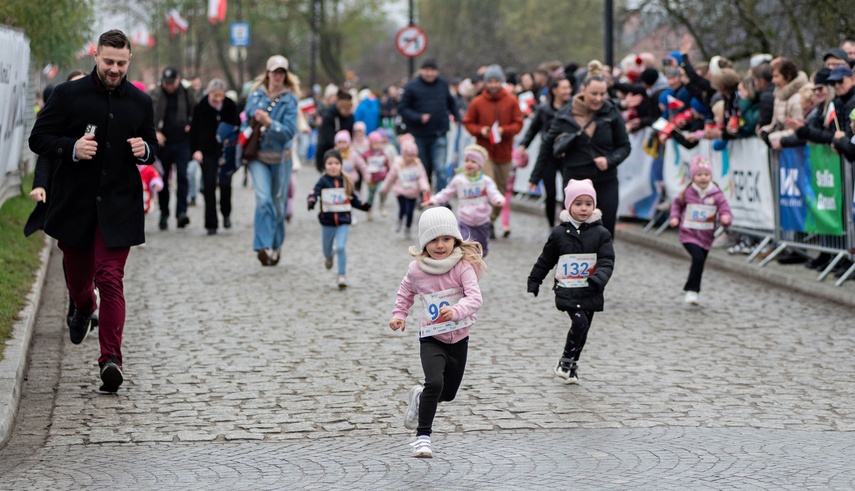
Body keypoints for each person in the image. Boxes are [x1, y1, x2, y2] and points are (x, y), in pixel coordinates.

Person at [28, 29, 158, 393]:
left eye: (121, 63)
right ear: (96, 57)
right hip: (76, 204)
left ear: (129, 61)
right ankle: (83, 308)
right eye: (108, 61)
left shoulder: (140, 102)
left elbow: (152, 146)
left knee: (110, 278)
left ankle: (111, 360)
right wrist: (71, 147)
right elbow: (38, 138)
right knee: (80, 283)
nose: (114, 69)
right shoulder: (68, 95)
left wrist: (145, 150)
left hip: (119, 204)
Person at [388, 206, 486, 458]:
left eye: (445, 238)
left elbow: (475, 298)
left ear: (455, 239)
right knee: (434, 382)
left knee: (448, 393)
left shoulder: (463, 266)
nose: (440, 245)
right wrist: (399, 314)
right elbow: (405, 291)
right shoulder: (417, 269)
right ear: (424, 243)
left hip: (459, 336)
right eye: (433, 240)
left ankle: (420, 397)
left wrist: (456, 310)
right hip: (431, 336)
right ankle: (422, 438)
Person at [527, 179, 614, 384]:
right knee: (579, 322)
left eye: (588, 204)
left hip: (591, 289)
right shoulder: (559, 233)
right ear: (568, 205)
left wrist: (599, 278)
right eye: (578, 203)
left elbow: (607, 260)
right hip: (567, 288)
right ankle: (565, 362)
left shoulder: (601, 233)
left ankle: (572, 367)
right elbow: (546, 259)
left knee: (584, 328)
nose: (584, 208)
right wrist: (535, 279)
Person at [532, 61, 631, 236]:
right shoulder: (566, 114)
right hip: (576, 180)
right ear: (583, 90)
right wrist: (535, 176)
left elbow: (625, 146)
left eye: (602, 94)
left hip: (605, 180)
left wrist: (609, 160)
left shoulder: (611, 112)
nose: (598, 98)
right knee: (575, 235)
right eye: (594, 93)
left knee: (606, 233)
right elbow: (547, 145)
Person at [241, 54, 299, 266]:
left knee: (278, 204)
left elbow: (289, 132)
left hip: (281, 159)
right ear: (268, 73)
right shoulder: (255, 95)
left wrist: (269, 123)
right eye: (275, 72)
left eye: (282, 72)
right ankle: (262, 245)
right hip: (258, 157)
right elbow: (245, 121)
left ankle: (276, 245)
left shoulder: (290, 99)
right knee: (263, 199)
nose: (278, 76)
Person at [462, 64, 524, 235]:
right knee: (488, 184)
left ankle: (491, 219)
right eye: (490, 81)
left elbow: (518, 123)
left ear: (501, 81)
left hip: (504, 151)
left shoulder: (511, 101)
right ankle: (485, 221)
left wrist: (505, 130)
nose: (493, 85)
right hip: (484, 153)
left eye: (496, 81)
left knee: (501, 189)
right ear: (486, 83)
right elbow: (468, 122)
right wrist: (480, 130)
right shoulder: (477, 102)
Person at [668, 157, 733, 304]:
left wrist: (725, 218)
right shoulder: (687, 192)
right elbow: (677, 205)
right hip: (688, 234)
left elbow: (725, 210)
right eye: (699, 174)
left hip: (706, 236)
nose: (703, 177)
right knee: (698, 258)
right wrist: (674, 218)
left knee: (700, 261)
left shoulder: (716, 194)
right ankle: (692, 290)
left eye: (706, 174)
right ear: (693, 177)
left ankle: (693, 291)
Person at [422, 144, 504, 256]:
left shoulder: (485, 181)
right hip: (465, 220)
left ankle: (478, 262)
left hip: (482, 221)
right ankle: (466, 263)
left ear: (480, 165)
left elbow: (493, 192)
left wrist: (498, 199)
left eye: (473, 161)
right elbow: (447, 192)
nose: (469, 164)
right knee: (465, 247)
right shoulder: (459, 180)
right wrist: (434, 199)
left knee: (482, 250)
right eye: (467, 161)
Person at [307, 149, 371, 288]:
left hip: (343, 221)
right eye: (330, 163)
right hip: (327, 222)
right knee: (326, 250)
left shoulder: (346, 181)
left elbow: (353, 199)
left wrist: (364, 205)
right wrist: (311, 200)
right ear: (325, 165)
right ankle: (329, 257)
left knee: (341, 247)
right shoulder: (323, 181)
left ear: (341, 165)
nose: (333, 166)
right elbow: (314, 192)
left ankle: (341, 276)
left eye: (336, 163)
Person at [398, 58, 460, 192]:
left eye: (432, 70)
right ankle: (424, 194)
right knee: (423, 168)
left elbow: (451, 103)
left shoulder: (443, 84)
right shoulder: (412, 86)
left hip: (439, 133)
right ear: (421, 71)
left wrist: (457, 117)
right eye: (427, 70)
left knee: (440, 168)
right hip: (419, 134)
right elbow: (402, 108)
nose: (429, 73)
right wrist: (418, 117)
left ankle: (441, 197)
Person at [189, 78, 241, 234]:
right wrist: (196, 150)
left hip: (226, 150)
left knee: (225, 184)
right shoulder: (201, 107)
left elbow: (237, 125)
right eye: (215, 96)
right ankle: (211, 223)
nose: (218, 99)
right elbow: (194, 131)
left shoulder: (230, 105)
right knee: (209, 185)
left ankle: (226, 213)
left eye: (220, 95)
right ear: (209, 93)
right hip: (207, 151)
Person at [521, 77, 572, 228]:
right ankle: (551, 226)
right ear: (555, 90)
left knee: (569, 191)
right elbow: (533, 129)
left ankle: (566, 224)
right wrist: (523, 145)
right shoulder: (544, 109)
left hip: (567, 155)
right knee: (550, 193)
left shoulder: (573, 108)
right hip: (548, 156)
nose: (568, 91)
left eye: (569, 88)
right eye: (564, 88)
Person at [151, 66, 197, 230]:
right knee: (163, 178)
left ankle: (181, 212)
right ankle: (164, 213)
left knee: (183, 176)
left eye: (172, 82)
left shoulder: (187, 92)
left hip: (182, 141)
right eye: (166, 83)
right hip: (164, 142)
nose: (169, 86)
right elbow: (148, 116)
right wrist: (155, 132)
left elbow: (196, 111)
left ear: (178, 80)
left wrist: (191, 124)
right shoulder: (156, 94)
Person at [380, 139, 430, 240]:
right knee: (403, 209)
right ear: (403, 154)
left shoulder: (418, 164)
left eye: (413, 155)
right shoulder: (398, 164)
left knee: (410, 211)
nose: (410, 158)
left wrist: (425, 188)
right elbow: (390, 178)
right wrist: (385, 188)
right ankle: (399, 220)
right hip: (401, 192)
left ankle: (408, 228)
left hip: (413, 192)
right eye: (408, 155)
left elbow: (422, 177)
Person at [315, 89, 354, 171]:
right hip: (328, 150)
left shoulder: (350, 117)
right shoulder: (329, 115)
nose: (347, 111)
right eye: (345, 109)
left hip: (345, 152)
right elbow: (327, 136)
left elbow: (350, 134)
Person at [362, 130, 390, 220]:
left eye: (379, 143)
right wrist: (365, 176)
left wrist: (389, 174)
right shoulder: (366, 154)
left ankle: (382, 205)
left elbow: (387, 164)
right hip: (371, 180)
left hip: (381, 177)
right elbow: (362, 166)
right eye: (375, 143)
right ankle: (369, 210)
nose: (378, 146)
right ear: (370, 144)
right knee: (371, 196)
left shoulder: (383, 153)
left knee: (382, 190)